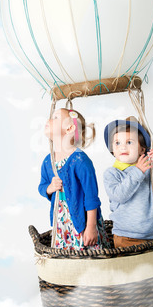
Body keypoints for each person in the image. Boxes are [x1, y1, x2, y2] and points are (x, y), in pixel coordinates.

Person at [38, 107, 109, 250]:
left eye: (56, 117)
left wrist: (90, 227)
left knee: (87, 254)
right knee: (66, 258)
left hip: (82, 222)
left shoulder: (80, 160)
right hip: (61, 223)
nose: (49, 120)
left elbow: (91, 198)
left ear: (70, 128)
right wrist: (49, 188)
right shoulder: (48, 161)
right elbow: (42, 186)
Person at [103, 116, 153, 248]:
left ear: (142, 150)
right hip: (126, 236)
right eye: (117, 143)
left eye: (129, 142)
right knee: (130, 267)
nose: (123, 147)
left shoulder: (148, 169)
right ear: (112, 149)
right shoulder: (112, 173)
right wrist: (137, 172)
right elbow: (120, 196)